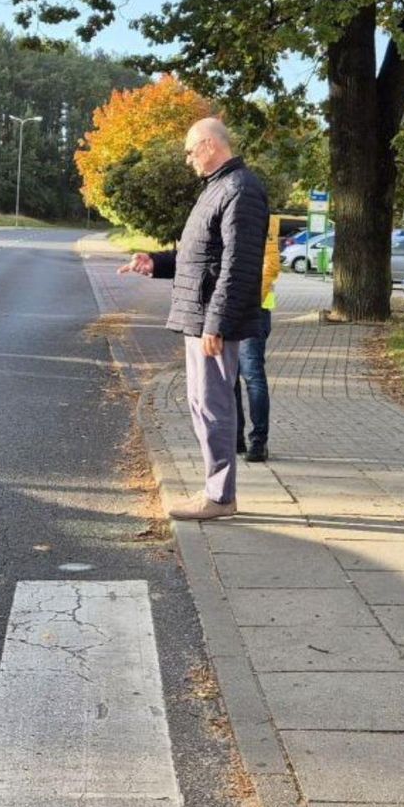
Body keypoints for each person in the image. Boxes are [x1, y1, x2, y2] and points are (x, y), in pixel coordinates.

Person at [118, 118, 269, 520]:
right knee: (203, 404)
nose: (187, 158)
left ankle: (219, 498)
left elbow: (239, 266)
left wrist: (215, 324)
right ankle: (214, 490)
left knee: (213, 406)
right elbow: (200, 256)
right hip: (200, 316)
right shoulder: (218, 188)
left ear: (208, 144)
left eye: (189, 150)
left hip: (211, 321)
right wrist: (156, 262)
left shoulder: (240, 190)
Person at [235, 215, 281, 462]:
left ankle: (258, 441)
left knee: (252, 374)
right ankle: (235, 438)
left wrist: (246, 301)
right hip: (227, 308)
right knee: (229, 376)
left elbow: (271, 267)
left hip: (254, 309)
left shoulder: (266, 221)